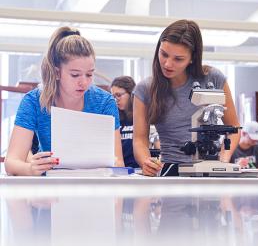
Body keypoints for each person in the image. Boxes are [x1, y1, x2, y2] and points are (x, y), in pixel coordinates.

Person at [132, 19, 240, 233]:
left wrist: (223, 160)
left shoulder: (214, 78)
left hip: (212, 176)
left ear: (192, 59)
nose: (168, 64)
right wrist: (146, 161)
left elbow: (233, 127)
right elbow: (140, 138)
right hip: (170, 174)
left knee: (208, 234)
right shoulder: (146, 89)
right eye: (164, 54)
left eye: (178, 59)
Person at [5, 26, 124, 176]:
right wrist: (30, 169)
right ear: (57, 72)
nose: (84, 82)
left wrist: (111, 165)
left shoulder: (105, 102)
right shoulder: (34, 101)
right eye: (75, 75)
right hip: (50, 191)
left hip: (94, 189)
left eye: (89, 74)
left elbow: (119, 163)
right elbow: (12, 162)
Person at [111, 76, 139, 168]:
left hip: (139, 169)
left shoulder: (140, 116)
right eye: (113, 96)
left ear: (131, 93)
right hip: (120, 169)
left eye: (119, 95)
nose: (116, 99)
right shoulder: (114, 118)